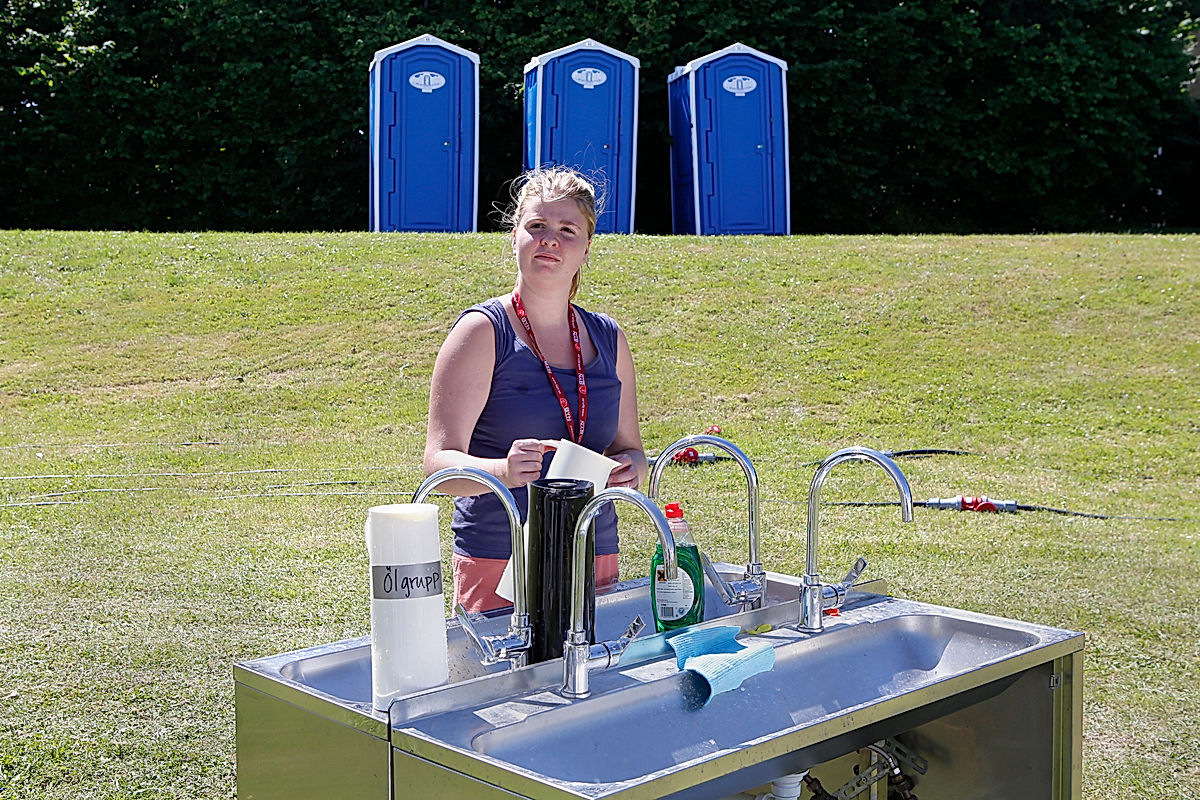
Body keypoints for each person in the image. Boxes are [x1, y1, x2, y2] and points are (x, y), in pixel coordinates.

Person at [424, 166, 647, 613]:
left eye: (567, 230)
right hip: (501, 556)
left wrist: (631, 466)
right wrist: (503, 472)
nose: (550, 240)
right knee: (505, 682)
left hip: (592, 548)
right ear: (514, 237)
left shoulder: (609, 338)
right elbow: (438, 466)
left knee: (589, 679)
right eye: (537, 226)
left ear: (586, 249)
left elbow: (631, 448)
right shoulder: (482, 332)